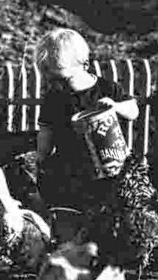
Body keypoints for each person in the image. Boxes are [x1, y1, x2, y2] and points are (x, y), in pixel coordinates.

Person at [33, 28, 139, 209]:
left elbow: (133, 111)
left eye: (63, 78)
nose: (58, 84)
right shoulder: (55, 98)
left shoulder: (107, 89)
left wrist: (116, 106)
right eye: (51, 79)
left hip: (112, 168)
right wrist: (40, 158)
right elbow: (46, 133)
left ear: (84, 64)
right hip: (73, 172)